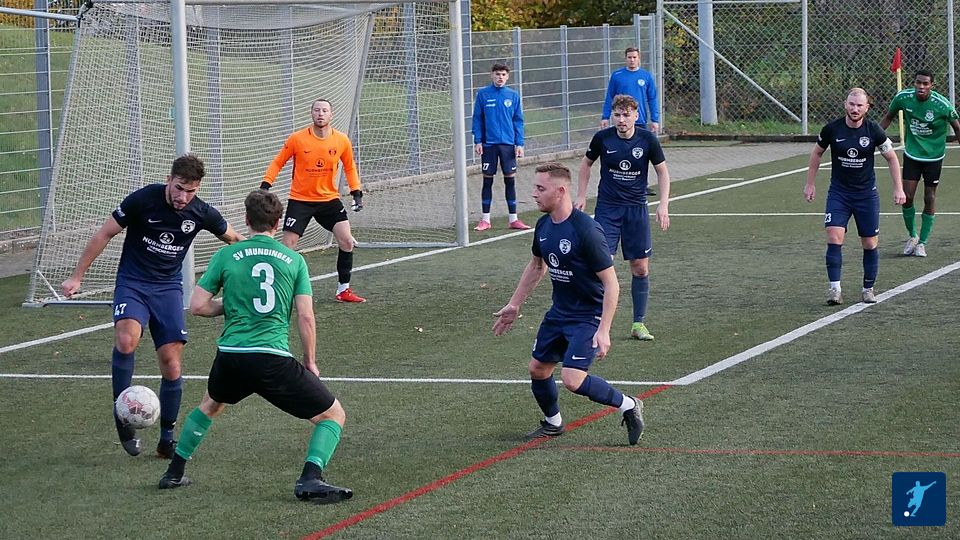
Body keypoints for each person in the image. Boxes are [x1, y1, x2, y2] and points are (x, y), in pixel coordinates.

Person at [158, 190, 353, 504]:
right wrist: (310, 361)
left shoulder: (227, 255)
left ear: (247, 220)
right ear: (277, 224)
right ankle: (310, 478)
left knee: (211, 404)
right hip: (271, 358)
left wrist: (233, 305)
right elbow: (305, 316)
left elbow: (197, 307)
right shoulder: (294, 260)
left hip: (231, 357)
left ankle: (174, 472)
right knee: (333, 415)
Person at [61, 154, 243, 458]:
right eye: (179, 188)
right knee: (126, 339)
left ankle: (166, 438)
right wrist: (77, 276)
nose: (183, 197)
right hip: (132, 282)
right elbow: (105, 233)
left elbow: (234, 238)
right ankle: (122, 417)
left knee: (172, 363)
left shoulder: (201, 212)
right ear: (169, 180)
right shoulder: (143, 199)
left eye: (191, 191)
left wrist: (265, 254)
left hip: (168, 289)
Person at [493, 162, 644, 446]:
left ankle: (629, 405)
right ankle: (553, 423)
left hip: (587, 316)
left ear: (561, 191)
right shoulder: (543, 225)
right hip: (559, 312)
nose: (534, 194)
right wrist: (514, 305)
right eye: (535, 187)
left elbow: (612, 283)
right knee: (538, 369)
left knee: (573, 380)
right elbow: (536, 266)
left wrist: (604, 329)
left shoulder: (587, 230)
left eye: (541, 188)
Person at [577, 94, 670, 341]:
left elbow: (662, 172)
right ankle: (592, 323)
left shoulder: (647, 140)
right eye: (617, 115)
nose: (621, 120)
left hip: (636, 210)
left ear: (636, 116)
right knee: (601, 264)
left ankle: (638, 323)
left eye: (626, 115)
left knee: (640, 268)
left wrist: (663, 204)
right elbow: (585, 165)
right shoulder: (602, 138)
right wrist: (581, 195)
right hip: (607, 209)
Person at [804, 87, 906, 305]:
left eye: (860, 105)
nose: (855, 109)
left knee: (869, 242)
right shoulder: (832, 129)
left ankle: (868, 288)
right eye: (851, 104)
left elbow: (891, 158)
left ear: (866, 108)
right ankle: (834, 290)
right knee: (834, 236)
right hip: (839, 193)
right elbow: (817, 153)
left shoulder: (874, 131)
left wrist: (898, 188)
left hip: (866, 195)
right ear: (845, 105)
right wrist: (810, 184)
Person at [262, 98, 366, 303]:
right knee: (288, 246)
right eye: (317, 110)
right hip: (300, 200)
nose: (320, 114)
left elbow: (350, 167)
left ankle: (343, 290)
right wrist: (266, 184)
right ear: (311, 113)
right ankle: (280, 290)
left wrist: (356, 192)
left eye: (324, 110)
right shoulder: (297, 139)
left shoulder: (341, 140)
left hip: (329, 200)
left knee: (346, 241)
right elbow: (278, 162)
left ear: (331, 115)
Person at [879, 69, 960, 257]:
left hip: (934, 157)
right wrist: (872, 137)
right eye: (918, 82)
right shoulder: (903, 98)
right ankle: (912, 236)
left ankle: (922, 242)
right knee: (907, 197)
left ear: (932, 85)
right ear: (914, 83)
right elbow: (888, 117)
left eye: (925, 84)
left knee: (929, 197)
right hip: (912, 155)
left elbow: (957, 126)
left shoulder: (942, 105)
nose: (921, 87)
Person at [472, 62, 528, 231]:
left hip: (508, 145)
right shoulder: (483, 94)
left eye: (503, 74)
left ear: (507, 77)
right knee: (487, 180)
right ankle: (485, 220)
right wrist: (478, 141)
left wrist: (519, 143)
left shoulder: (513, 95)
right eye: (497, 74)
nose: (500, 77)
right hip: (489, 145)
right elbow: (477, 118)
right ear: (492, 75)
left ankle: (513, 219)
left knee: (510, 180)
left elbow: (518, 121)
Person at [600, 47, 660, 134]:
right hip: (622, 120)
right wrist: (605, 117)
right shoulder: (617, 75)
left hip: (640, 120)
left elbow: (652, 99)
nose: (632, 60)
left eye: (634, 57)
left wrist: (655, 120)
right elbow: (610, 97)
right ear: (626, 58)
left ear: (639, 58)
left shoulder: (646, 76)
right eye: (629, 57)